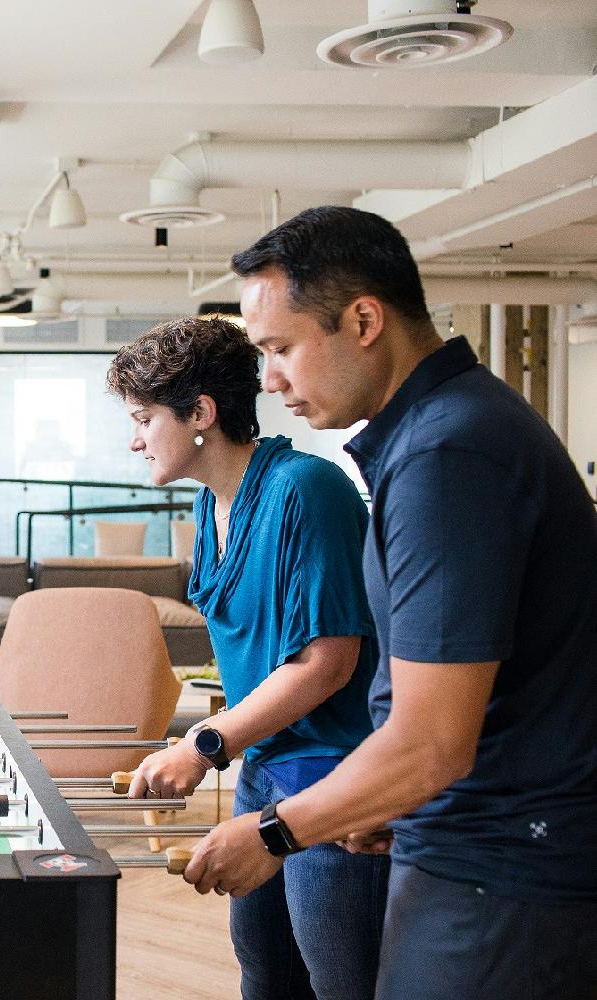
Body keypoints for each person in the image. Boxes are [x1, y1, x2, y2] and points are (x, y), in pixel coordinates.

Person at [182, 205, 597, 999]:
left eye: (280, 349)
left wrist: (275, 831)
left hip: (502, 872)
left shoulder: (450, 451)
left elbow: (432, 743)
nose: (269, 380)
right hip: (465, 846)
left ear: (364, 319)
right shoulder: (443, 434)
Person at [108, 316, 388, 999]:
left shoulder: (306, 489)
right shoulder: (211, 505)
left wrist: (203, 743)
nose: (134, 438)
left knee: (341, 983)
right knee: (266, 973)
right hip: (265, 767)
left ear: (200, 413)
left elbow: (327, 663)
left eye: (145, 418)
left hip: (333, 778)